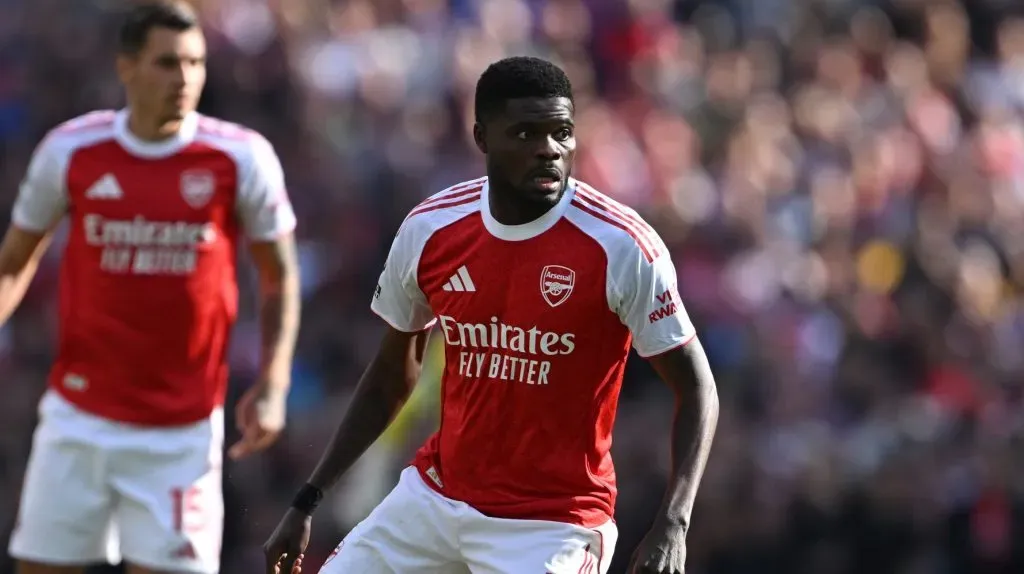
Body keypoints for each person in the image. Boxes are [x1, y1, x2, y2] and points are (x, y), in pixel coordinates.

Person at [264, 56, 719, 574]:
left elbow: (697, 387)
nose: (549, 149)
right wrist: (307, 499)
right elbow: (392, 374)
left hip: (551, 526)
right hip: (434, 502)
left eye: (561, 133)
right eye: (526, 133)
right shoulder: (432, 228)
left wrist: (673, 522)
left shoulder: (621, 245)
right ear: (482, 137)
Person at [0, 2, 301, 573]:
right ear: (127, 66)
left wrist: (274, 382)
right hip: (77, 419)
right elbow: (13, 263)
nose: (184, 78)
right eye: (167, 63)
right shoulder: (70, 150)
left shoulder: (240, 157)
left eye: (195, 63)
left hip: (180, 434)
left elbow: (279, 275)